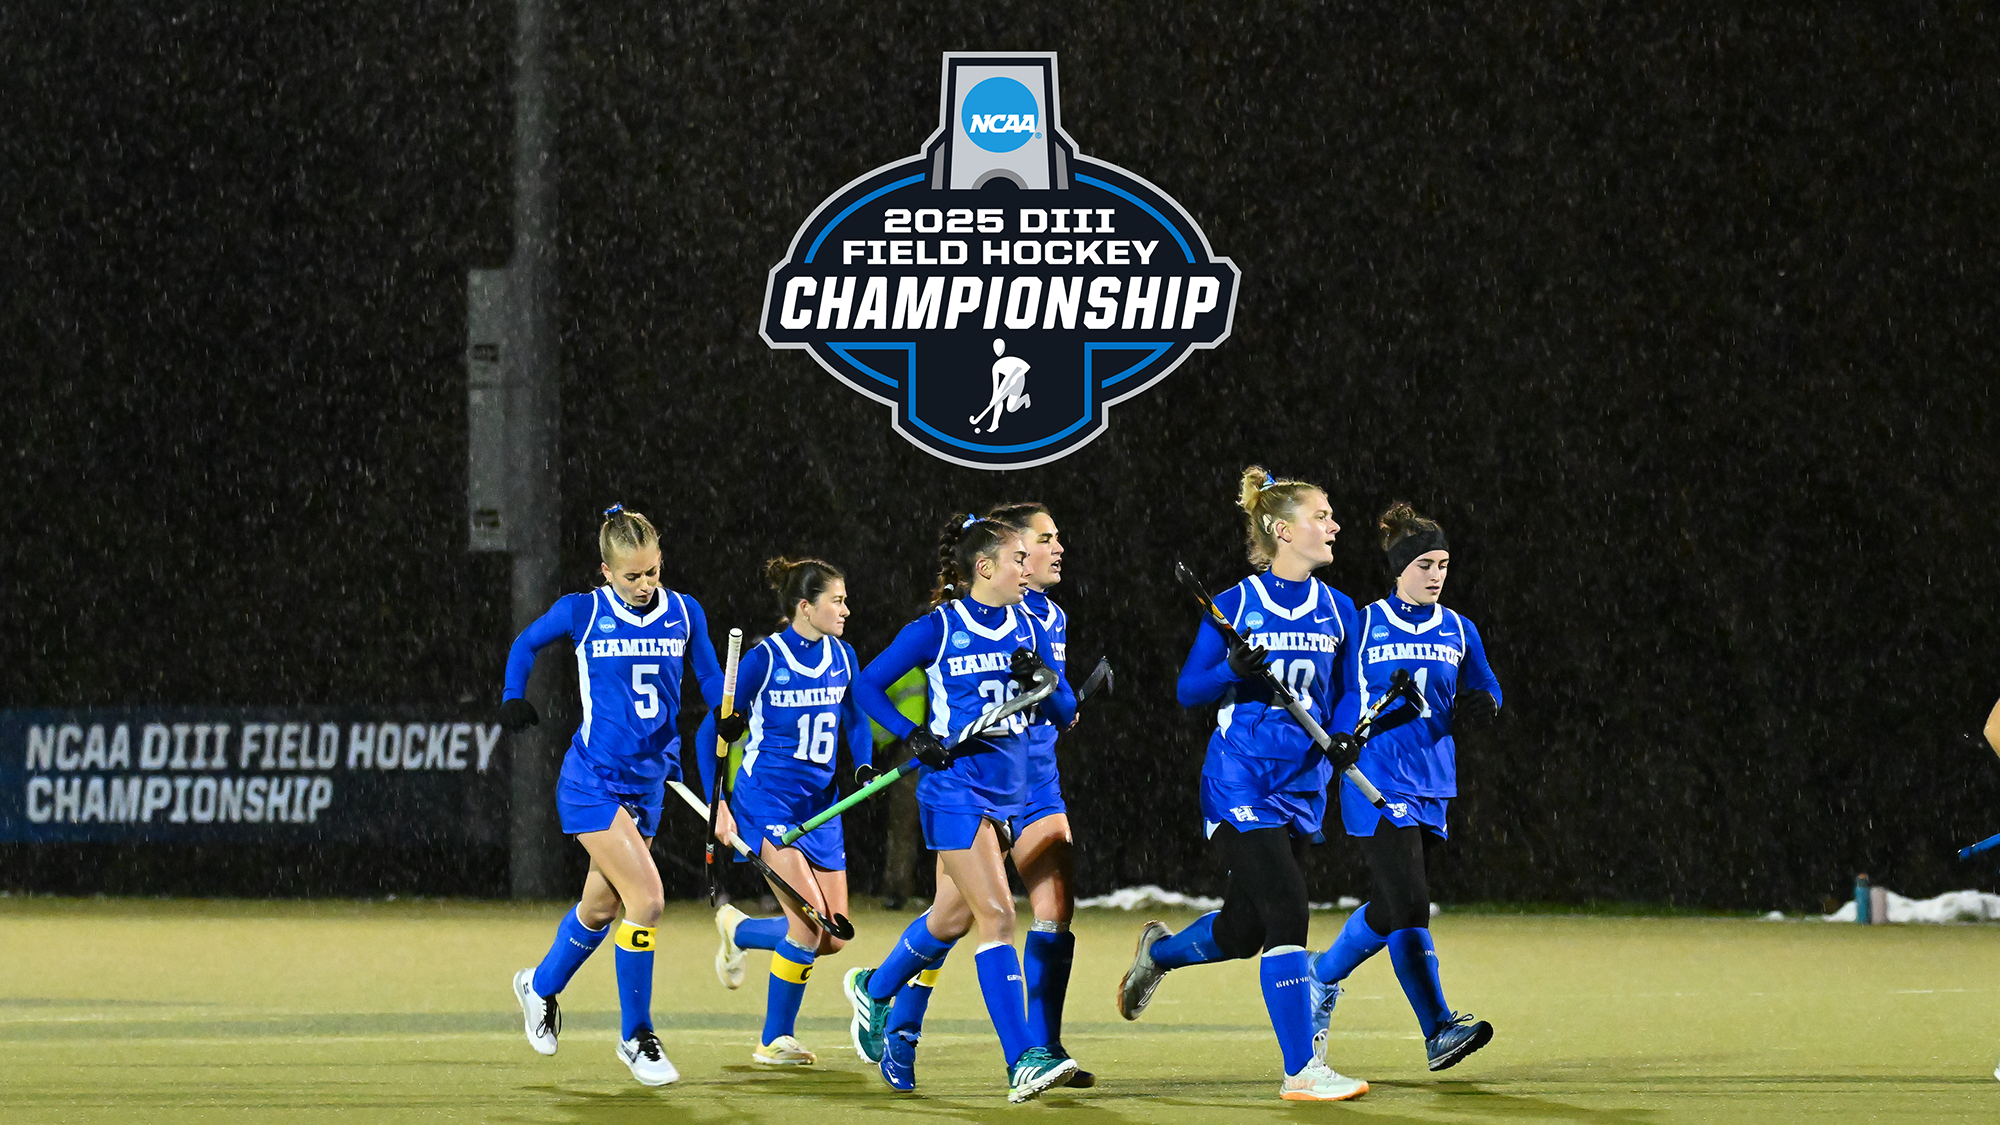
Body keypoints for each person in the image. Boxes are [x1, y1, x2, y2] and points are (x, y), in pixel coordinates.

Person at [1115, 466, 1370, 1102]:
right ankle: (1300, 1069)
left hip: (1302, 785)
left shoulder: (1342, 610)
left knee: (1245, 930)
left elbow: (1344, 697)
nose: (1334, 525)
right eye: (1322, 516)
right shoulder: (1235, 604)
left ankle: (1161, 955)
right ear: (1283, 530)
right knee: (1288, 909)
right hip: (1240, 779)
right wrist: (1233, 668)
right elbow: (1186, 689)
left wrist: (1345, 736)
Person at [843, 514, 1080, 1102]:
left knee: (948, 920)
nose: (1028, 569)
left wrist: (1045, 680)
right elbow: (867, 684)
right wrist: (911, 733)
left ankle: (875, 986)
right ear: (986, 568)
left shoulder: (1034, 624)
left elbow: (1067, 708)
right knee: (997, 916)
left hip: (1012, 794)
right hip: (955, 793)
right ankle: (1023, 1058)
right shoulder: (939, 629)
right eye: (1018, 561)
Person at [499, 504, 725, 1086]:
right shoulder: (583, 612)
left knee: (600, 909)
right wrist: (511, 693)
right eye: (633, 575)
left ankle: (538, 986)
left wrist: (729, 710)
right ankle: (636, 1037)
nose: (646, 585)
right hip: (592, 784)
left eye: (653, 571)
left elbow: (708, 675)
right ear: (605, 571)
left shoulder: (684, 611)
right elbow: (524, 644)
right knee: (647, 900)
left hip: (649, 786)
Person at [1304, 501, 1503, 1072]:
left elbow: (1485, 685)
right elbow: (1335, 691)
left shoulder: (1461, 629)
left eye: (1442, 563)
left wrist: (1483, 703)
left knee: (1394, 906)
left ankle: (1320, 976)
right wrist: (1339, 739)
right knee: (1412, 903)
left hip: (1433, 786)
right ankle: (1438, 1027)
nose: (1436, 574)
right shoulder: (1362, 623)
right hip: (1374, 782)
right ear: (1399, 568)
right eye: (1424, 564)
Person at [701, 557, 872, 1067]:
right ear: (805, 606)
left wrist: (861, 766)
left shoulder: (844, 656)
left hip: (822, 809)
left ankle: (738, 930)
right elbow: (709, 731)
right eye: (836, 600)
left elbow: (856, 719)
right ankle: (774, 1039)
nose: (845, 609)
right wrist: (721, 806)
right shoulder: (764, 660)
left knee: (833, 937)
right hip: (767, 806)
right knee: (806, 929)